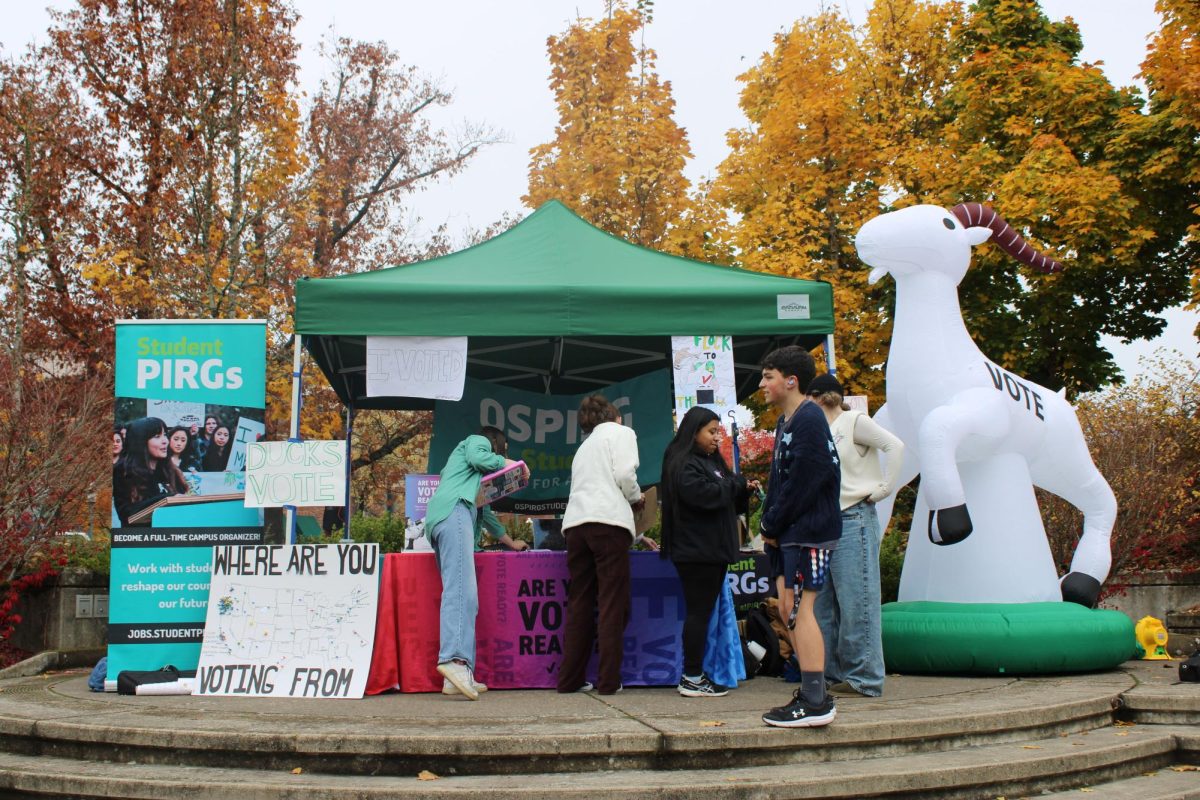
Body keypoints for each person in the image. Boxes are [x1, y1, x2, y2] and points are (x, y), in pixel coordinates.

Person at [757, 346, 842, 728]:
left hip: (808, 533)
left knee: (799, 611)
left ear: (791, 381)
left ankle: (816, 700)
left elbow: (807, 480)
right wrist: (769, 524)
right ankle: (811, 695)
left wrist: (772, 523)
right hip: (789, 533)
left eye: (768, 376)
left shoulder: (808, 419)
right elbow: (780, 482)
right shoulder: (786, 421)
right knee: (790, 610)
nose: (762, 384)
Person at [808, 373, 905, 698]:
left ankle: (865, 676)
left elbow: (895, 445)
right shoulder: (821, 430)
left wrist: (884, 489)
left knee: (856, 600)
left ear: (819, 397)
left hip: (854, 516)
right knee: (823, 604)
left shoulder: (853, 421)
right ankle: (833, 672)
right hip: (825, 522)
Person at [660, 406, 759, 698]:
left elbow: (725, 496)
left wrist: (742, 491)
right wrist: (734, 484)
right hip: (696, 551)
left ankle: (699, 672)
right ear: (694, 432)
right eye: (711, 431)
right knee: (699, 613)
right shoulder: (682, 463)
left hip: (713, 549)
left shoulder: (711, 462)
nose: (717, 438)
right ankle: (691, 676)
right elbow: (704, 495)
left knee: (703, 613)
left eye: (719, 431)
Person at [424, 426, 530, 700]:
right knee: (463, 593)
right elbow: (478, 454)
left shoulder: (466, 478)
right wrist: (509, 464)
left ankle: (458, 675)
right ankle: (454, 661)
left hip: (444, 517)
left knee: (461, 592)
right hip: (454, 512)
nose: (501, 457)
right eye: (502, 451)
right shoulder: (475, 441)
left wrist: (510, 541)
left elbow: (487, 513)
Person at [557, 395, 643, 696]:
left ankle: (570, 679)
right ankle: (608, 681)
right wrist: (636, 498)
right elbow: (623, 475)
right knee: (612, 603)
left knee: (580, 602)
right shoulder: (621, 433)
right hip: (608, 523)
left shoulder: (583, 447)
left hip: (576, 526)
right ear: (616, 417)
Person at [113, 416, 189, 526]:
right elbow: (127, 514)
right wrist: (168, 499)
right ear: (141, 441)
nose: (165, 441)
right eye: (157, 436)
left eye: (165, 435)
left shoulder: (171, 470)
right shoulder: (122, 471)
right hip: (140, 539)